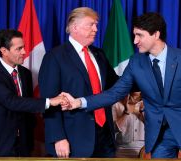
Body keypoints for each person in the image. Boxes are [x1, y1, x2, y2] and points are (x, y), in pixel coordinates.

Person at [61, 12, 181, 158]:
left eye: (140, 35)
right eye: (134, 35)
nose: (135, 41)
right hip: (159, 136)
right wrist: (79, 102)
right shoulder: (136, 62)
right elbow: (114, 93)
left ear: (156, 34)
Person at [38, 7, 119, 158]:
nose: (96, 29)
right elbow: (49, 101)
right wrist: (58, 137)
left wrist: (142, 75)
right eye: (91, 24)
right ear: (75, 27)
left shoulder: (99, 54)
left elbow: (116, 85)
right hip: (73, 139)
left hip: (105, 137)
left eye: (96, 24)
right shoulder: (55, 57)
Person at [0, 29, 67, 157]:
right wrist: (49, 101)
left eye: (23, 47)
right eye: (19, 49)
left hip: (24, 144)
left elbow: (27, 108)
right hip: (1, 144)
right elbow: (11, 101)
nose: (24, 52)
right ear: (4, 51)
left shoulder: (25, 73)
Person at [112, 91, 144, 157]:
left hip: (144, 150)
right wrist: (126, 112)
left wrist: (143, 111)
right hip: (121, 149)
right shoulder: (117, 104)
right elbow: (114, 129)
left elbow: (155, 128)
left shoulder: (149, 103)